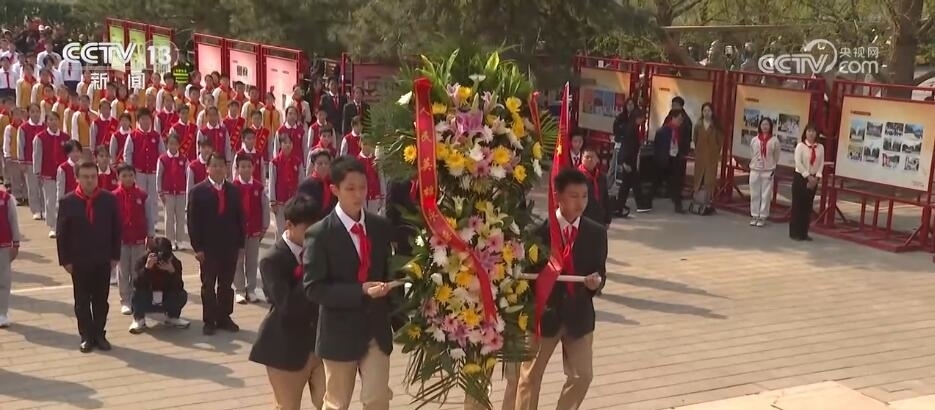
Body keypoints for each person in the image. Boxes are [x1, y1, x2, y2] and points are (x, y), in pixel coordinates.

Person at [303, 155, 395, 410]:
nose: (358, 195)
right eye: (350, 188)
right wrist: (359, 291)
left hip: (375, 328)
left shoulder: (379, 226)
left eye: (363, 187)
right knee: (337, 402)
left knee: (377, 398)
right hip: (339, 331)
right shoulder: (320, 234)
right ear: (335, 190)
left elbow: (388, 269)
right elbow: (313, 288)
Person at [515, 168, 607, 410]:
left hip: (579, 315)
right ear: (558, 197)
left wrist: (595, 283)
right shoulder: (538, 233)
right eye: (574, 196)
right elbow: (524, 277)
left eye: (584, 196)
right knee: (530, 379)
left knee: (582, 376)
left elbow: (600, 271)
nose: (580, 203)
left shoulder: (596, 233)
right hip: (543, 316)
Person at [249, 194, 325, 410]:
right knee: (288, 406)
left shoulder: (323, 253)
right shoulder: (271, 260)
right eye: (308, 230)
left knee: (332, 403)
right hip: (285, 349)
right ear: (289, 225)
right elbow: (288, 306)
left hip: (321, 345)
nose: (314, 236)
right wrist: (311, 267)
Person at [56, 160, 121, 353]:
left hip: (102, 259)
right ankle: (86, 335)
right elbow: (61, 233)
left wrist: (115, 255)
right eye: (85, 177)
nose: (90, 180)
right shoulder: (68, 202)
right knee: (82, 301)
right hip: (79, 261)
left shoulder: (109, 199)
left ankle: (99, 334)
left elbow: (116, 230)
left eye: (93, 176)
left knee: (101, 300)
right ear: (77, 178)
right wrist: (65, 260)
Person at [187, 153, 245, 335]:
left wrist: (240, 244)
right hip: (208, 248)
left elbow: (240, 218)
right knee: (208, 284)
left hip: (229, 246)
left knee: (226, 285)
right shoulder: (198, 192)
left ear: (226, 168)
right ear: (207, 168)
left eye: (221, 165)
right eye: (215, 165)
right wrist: (197, 248)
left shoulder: (233, 190)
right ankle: (209, 320)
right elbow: (193, 222)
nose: (218, 169)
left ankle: (224, 317)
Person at [113, 164, 156, 315]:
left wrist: (150, 235)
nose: (128, 178)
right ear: (118, 177)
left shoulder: (142, 195)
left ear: (135, 176)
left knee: (137, 270)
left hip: (139, 239)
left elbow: (149, 216)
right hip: (121, 240)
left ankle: (136, 298)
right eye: (124, 175)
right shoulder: (113, 196)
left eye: (130, 175)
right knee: (123, 271)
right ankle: (125, 300)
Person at [128, 236, 190, 333]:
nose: (162, 261)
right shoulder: (143, 260)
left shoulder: (175, 262)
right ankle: (139, 319)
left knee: (182, 295)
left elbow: (179, 287)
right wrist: (146, 269)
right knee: (136, 293)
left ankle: (173, 317)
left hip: (166, 297)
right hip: (148, 297)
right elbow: (136, 284)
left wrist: (172, 271)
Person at [232, 154, 269, 304]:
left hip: (254, 229)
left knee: (252, 261)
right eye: (243, 166)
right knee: (238, 261)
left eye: (249, 166)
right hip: (237, 232)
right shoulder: (233, 187)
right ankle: (240, 290)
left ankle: (251, 289)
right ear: (237, 168)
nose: (246, 169)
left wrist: (264, 226)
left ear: (253, 168)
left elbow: (265, 208)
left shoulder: (259, 187)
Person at [33, 111, 69, 238]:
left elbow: (69, 155)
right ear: (46, 122)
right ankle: (53, 226)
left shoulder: (65, 137)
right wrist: (37, 171)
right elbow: (37, 155)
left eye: (55, 119)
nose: (53, 122)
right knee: (50, 200)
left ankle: (63, 224)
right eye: (50, 119)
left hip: (63, 173)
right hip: (47, 173)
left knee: (62, 199)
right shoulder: (40, 137)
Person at [124, 109, 166, 217]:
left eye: (147, 119)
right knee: (139, 198)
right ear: (138, 121)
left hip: (153, 173)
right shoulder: (133, 135)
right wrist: (130, 170)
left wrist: (162, 171)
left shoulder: (156, 136)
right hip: (139, 173)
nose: (146, 121)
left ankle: (153, 221)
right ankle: (140, 219)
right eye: (143, 119)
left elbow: (163, 154)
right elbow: (127, 153)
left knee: (153, 199)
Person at [790, 124, 824, 241]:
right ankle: (795, 233)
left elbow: (821, 163)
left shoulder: (820, 147)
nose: (811, 133)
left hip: (814, 179)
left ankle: (804, 232)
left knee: (807, 207)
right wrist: (808, 176)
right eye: (809, 131)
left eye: (813, 131)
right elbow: (798, 163)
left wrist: (817, 177)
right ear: (805, 132)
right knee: (798, 206)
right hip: (801, 177)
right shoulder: (800, 146)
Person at [653, 110, 690, 213]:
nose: (680, 121)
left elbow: (683, 143)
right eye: (679, 119)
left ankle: (678, 206)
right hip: (665, 158)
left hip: (675, 158)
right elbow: (657, 146)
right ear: (673, 118)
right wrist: (659, 158)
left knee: (676, 182)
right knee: (657, 181)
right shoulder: (664, 130)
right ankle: (647, 200)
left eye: (681, 120)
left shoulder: (680, 131)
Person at [613, 109, 649, 216]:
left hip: (630, 159)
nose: (642, 121)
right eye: (642, 118)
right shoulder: (631, 129)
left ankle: (622, 204)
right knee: (630, 184)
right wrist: (624, 162)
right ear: (638, 118)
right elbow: (628, 147)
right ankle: (638, 204)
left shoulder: (632, 127)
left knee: (629, 184)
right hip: (629, 160)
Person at [157, 134, 188, 250]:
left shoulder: (184, 159)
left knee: (180, 218)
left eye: (175, 144)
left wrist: (187, 192)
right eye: (170, 143)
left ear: (179, 145)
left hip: (181, 193)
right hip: (167, 193)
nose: (173, 146)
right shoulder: (162, 159)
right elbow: (159, 176)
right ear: (167, 145)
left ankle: (180, 240)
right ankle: (169, 241)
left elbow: (187, 176)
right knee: (169, 218)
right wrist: (160, 192)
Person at [692, 103, 724, 215]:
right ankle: (697, 201)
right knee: (699, 179)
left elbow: (720, 141)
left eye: (709, 111)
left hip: (711, 157)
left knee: (709, 180)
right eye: (704, 110)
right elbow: (695, 139)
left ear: (712, 112)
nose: (706, 113)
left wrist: (715, 151)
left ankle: (707, 202)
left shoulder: (716, 126)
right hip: (700, 156)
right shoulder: (698, 125)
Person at [749, 117, 781, 227]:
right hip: (755, 169)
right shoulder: (754, 140)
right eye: (763, 124)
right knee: (754, 193)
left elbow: (776, 156)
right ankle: (754, 215)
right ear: (760, 126)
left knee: (765, 195)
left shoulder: (774, 141)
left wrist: (771, 165)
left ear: (770, 126)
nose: (765, 127)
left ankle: (762, 216)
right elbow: (752, 153)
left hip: (768, 171)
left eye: (767, 124)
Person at [269, 134, 301, 236]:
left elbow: (301, 182)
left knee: (292, 229)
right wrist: (273, 202)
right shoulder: (275, 162)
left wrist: (300, 199)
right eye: (285, 143)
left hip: (293, 202)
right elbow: (272, 183)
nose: (288, 145)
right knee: (281, 229)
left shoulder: (297, 162)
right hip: (280, 202)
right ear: (280, 145)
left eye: (290, 143)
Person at [0, 185, 21, 328]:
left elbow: (13, 221)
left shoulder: (6, 198)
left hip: (4, 245)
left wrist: (16, 243)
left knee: (3, 280)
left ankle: (2, 313)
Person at [18, 104, 43, 219]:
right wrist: (21, 161)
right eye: (33, 112)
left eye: (37, 111)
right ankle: (36, 210)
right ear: (28, 113)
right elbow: (21, 145)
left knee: (43, 187)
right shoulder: (24, 127)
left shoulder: (45, 126)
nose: (35, 114)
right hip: (29, 161)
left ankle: (44, 208)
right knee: (32, 187)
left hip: (43, 161)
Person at [579, 147, 611, 227]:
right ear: (582, 159)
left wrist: (608, 219)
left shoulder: (601, 177)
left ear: (597, 160)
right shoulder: (576, 176)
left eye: (592, 157)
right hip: (582, 218)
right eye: (587, 157)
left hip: (599, 218)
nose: (590, 160)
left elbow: (605, 198)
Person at [3, 106, 26, 201]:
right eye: (16, 114)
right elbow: (6, 142)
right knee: (15, 178)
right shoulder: (9, 128)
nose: (18, 116)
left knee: (24, 178)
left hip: (23, 158)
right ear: (11, 116)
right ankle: (18, 196)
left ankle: (26, 195)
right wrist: (7, 155)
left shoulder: (24, 127)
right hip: (13, 158)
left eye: (19, 114)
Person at [275, 106, 307, 173]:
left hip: (298, 163)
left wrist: (305, 164)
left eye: (294, 114)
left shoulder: (301, 131)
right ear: (286, 116)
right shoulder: (280, 131)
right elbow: (276, 149)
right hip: (283, 163)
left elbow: (304, 148)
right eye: (290, 113)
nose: (292, 116)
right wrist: (276, 163)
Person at [358, 140, 384, 214]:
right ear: (360, 144)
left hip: (374, 195)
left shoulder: (375, 161)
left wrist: (382, 195)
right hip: (362, 197)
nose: (366, 147)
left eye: (368, 144)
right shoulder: (357, 161)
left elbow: (381, 178)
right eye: (364, 144)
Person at [55, 139, 82, 204]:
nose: (76, 154)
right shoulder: (63, 168)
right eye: (73, 151)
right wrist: (60, 202)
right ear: (68, 154)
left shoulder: (84, 166)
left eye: (78, 151)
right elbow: (60, 188)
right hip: (69, 200)